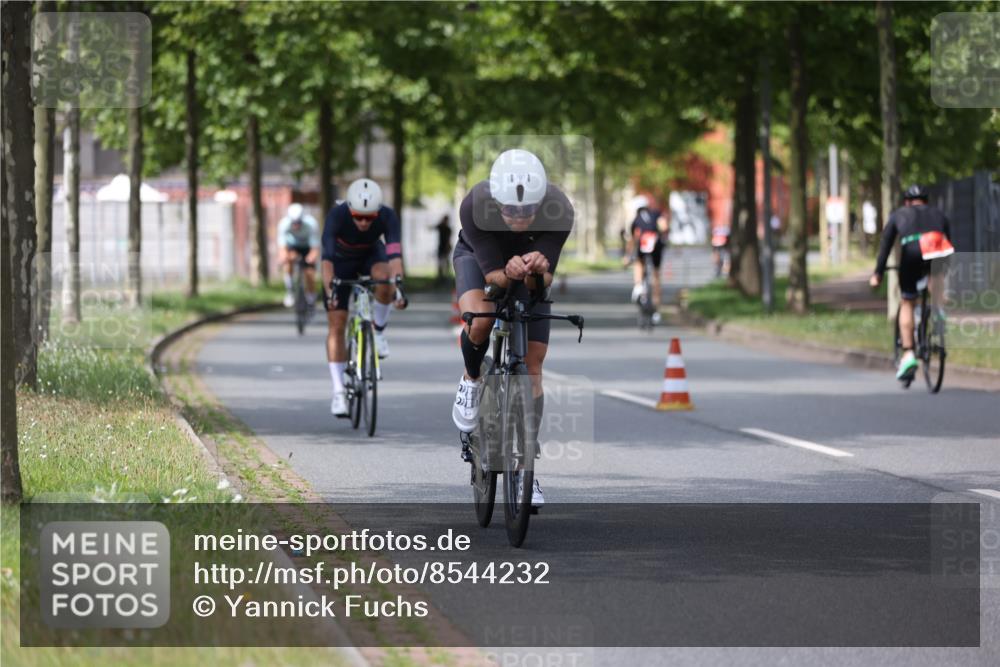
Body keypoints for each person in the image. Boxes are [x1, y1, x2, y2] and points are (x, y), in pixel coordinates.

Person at [451, 149, 574, 508]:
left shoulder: (559, 207)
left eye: (527, 212)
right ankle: (471, 379)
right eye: (510, 211)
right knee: (483, 318)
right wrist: (512, 271)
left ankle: (525, 471)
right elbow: (493, 279)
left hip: (527, 271)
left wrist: (539, 268)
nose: (519, 218)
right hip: (480, 261)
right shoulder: (476, 203)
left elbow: (543, 283)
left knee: (533, 362)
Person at [321, 178, 406, 417]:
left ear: (378, 212)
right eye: (358, 216)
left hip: (371, 255)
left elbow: (395, 256)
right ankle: (338, 391)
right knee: (336, 324)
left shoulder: (388, 216)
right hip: (340, 262)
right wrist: (330, 292)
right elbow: (325, 259)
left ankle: (378, 333)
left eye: (369, 218)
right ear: (349, 209)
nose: (363, 222)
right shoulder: (337, 216)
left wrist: (398, 287)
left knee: (385, 280)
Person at [870, 184, 954, 382]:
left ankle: (908, 354)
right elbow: (949, 241)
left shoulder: (900, 214)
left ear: (907, 202)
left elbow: (886, 245)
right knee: (936, 276)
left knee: (907, 301)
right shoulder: (939, 214)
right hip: (938, 245)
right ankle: (938, 311)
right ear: (926, 201)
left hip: (913, 251)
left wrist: (878, 273)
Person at [624, 195, 668, 323]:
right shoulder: (656, 213)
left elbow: (632, 240)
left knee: (638, 263)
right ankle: (656, 311)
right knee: (656, 276)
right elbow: (664, 226)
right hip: (657, 244)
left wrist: (627, 257)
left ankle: (638, 286)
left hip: (643, 244)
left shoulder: (636, 219)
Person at [277, 203, 321, 308]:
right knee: (288, 262)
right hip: (292, 246)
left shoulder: (311, 224)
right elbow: (282, 247)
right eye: (294, 223)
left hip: (307, 247)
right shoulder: (283, 224)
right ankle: (290, 291)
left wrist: (311, 257)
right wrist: (284, 257)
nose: (296, 225)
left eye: (298, 223)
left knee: (309, 272)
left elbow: (315, 248)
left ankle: (311, 296)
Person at [431, 214, 453, 284]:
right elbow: (433, 227)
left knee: (446, 262)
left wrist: (448, 247)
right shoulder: (441, 227)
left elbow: (449, 239)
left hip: (445, 248)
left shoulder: (448, 229)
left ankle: (445, 276)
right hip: (441, 247)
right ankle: (440, 277)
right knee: (440, 263)